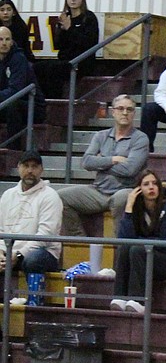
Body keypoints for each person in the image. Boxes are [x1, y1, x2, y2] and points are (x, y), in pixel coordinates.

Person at [56, 95, 149, 237]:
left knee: (121, 199)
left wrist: (100, 162)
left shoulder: (140, 138)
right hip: (98, 191)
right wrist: (112, 160)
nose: (125, 112)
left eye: (129, 109)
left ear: (134, 113)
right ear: (113, 112)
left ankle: (121, 244)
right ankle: (80, 240)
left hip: (125, 189)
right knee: (60, 197)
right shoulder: (101, 136)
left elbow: (130, 170)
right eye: (121, 108)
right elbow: (86, 162)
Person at [110, 171, 166, 314]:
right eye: (146, 184)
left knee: (137, 249)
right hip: (145, 257)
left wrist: (138, 242)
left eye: (154, 184)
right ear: (138, 189)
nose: (151, 187)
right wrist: (128, 208)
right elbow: (123, 240)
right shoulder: (138, 208)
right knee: (127, 248)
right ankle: (120, 297)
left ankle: (139, 300)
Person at [0, 152, 62, 290]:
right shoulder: (7, 195)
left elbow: (45, 235)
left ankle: (35, 303)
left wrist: (18, 254)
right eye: (26, 166)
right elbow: (1, 230)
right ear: (18, 168)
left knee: (33, 260)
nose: (30, 171)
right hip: (10, 252)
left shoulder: (50, 196)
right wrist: (1, 252)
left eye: (34, 167)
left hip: (43, 252)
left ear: (41, 170)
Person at [34, 0, 101, 98]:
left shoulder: (89, 17)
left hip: (82, 62)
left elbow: (89, 43)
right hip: (65, 59)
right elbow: (58, 45)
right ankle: (45, 100)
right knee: (38, 67)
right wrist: (61, 30)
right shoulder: (65, 17)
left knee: (53, 70)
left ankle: (55, 101)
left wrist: (70, 28)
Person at [0, 25, 46, 147]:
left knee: (12, 105)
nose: (4, 43)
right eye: (0, 39)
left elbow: (15, 91)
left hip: (32, 105)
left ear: (12, 42)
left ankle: (13, 149)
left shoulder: (18, 58)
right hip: (7, 102)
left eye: (7, 39)